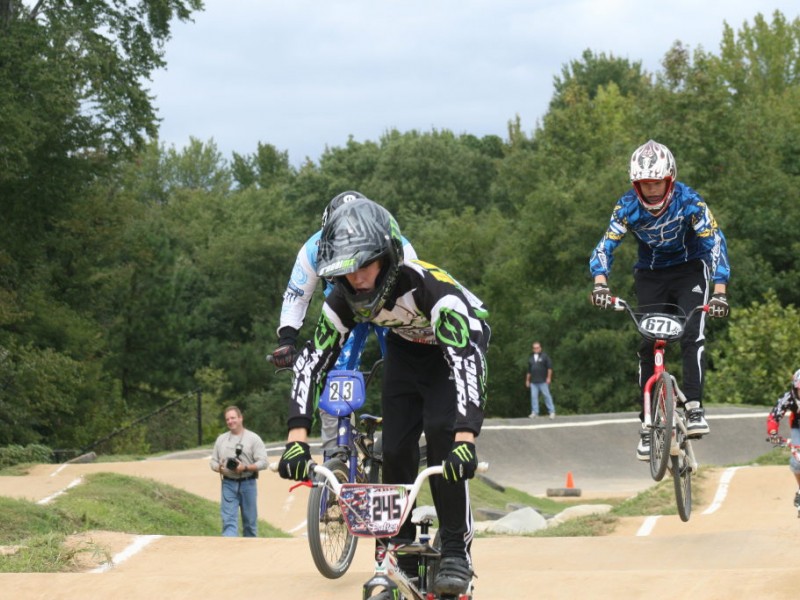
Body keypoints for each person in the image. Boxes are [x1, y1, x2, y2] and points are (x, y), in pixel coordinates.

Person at [277, 198, 490, 597]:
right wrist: (296, 441)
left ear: (388, 257)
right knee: (392, 447)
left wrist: (466, 439)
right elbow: (311, 364)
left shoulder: (432, 290)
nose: (356, 279)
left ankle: (456, 550)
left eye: (365, 266)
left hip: (455, 347)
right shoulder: (342, 298)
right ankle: (399, 545)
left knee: (444, 437)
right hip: (407, 349)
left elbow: (465, 364)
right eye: (346, 271)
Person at [589, 139, 731, 461]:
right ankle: (647, 423)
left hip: (691, 270)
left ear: (670, 179)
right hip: (651, 273)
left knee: (692, 331)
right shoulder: (627, 206)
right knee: (647, 341)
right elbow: (605, 245)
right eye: (644, 184)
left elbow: (715, 242)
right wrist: (600, 284)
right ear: (635, 184)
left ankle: (694, 407)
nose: (652, 191)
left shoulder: (690, 201)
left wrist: (720, 291)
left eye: (657, 183)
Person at [271, 191, 417, 460]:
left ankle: (406, 431)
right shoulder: (312, 248)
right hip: (344, 310)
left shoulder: (400, 245)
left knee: (403, 364)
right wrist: (287, 340)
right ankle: (335, 452)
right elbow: (297, 294)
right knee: (334, 370)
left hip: (388, 307)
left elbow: (416, 297)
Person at [209, 406, 268, 537]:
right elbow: (212, 461)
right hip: (228, 484)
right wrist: (219, 467)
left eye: (233, 418)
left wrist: (245, 468)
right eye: (227, 419)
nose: (230, 421)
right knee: (228, 523)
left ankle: (249, 555)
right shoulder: (221, 439)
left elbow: (264, 462)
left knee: (250, 525)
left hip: (248, 483)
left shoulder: (253, 438)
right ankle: (230, 554)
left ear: (240, 418)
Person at [767, 368, 800, 510]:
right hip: (798, 427)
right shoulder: (788, 398)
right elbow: (774, 416)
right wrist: (773, 433)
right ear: (794, 388)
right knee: (797, 461)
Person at [525, 341, 555, 418]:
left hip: (543, 381)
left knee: (546, 396)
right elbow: (529, 371)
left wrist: (548, 377)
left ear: (540, 348)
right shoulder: (531, 359)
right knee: (533, 397)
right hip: (533, 382)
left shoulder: (545, 356)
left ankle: (551, 411)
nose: (536, 349)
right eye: (534, 348)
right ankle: (535, 412)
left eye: (537, 347)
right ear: (533, 349)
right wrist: (527, 380)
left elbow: (549, 368)